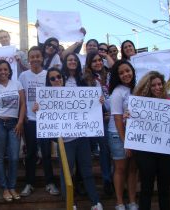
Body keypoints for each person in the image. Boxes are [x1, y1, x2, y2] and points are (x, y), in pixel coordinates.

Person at [33, 67, 104, 210]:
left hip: (81, 138)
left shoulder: (76, 92)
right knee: (66, 173)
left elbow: (89, 108)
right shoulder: (45, 98)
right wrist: (37, 111)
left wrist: (98, 101)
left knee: (87, 171)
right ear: (49, 81)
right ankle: (70, 204)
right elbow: (46, 123)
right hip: (64, 142)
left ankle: (95, 202)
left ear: (63, 78)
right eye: (52, 78)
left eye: (58, 76)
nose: (56, 80)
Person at [133, 71, 170, 210]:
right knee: (146, 189)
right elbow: (131, 125)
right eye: (153, 85)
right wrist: (129, 116)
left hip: (168, 152)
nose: (157, 87)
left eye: (159, 84)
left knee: (165, 190)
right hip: (145, 153)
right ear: (147, 87)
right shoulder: (138, 105)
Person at [19, 46, 59, 197]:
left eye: (38, 56)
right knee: (30, 153)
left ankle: (50, 183)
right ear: (28, 59)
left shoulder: (48, 74)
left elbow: (56, 94)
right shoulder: (23, 76)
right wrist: (22, 118)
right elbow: (21, 99)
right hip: (30, 119)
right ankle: (29, 183)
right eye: (32, 56)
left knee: (47, 153)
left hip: (46, 120)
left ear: (42, 58)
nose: (35, 59)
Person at [0, 60, 26, 202]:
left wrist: (20, 122)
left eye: (5, 69)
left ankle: (12, 186)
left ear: (9, 71)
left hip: (14, 123)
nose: (3, 72)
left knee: (14, 157)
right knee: (0, 157)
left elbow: (23, 104)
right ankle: (5, 188)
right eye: (0, 70)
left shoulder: (17, 84)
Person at [108, 60, 138, 210]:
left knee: (133, 169)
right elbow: (117, 119)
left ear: (132, 71)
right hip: (118, 135)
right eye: (121, 73)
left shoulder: (137, 88)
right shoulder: (117, 92)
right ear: (117, 76)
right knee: (120, 169)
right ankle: (120, 202)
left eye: (128, 71)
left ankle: (132, 201)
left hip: (134, 135)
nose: (126, 74)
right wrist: (125, 141)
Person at [83, 52, 113, 196]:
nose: (97, 63)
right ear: (89, 64)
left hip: (108, 118)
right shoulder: (85, 79)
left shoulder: (108, 76)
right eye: (94, 61)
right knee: (88, 151)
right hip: (92, 120)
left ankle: (107, 180)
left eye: (99, 60)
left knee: (106, 151)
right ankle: (87, 182)